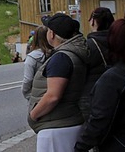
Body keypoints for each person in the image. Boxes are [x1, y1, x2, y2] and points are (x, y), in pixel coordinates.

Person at [74, 19, 125, 151]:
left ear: (112, 42)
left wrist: (80, 147)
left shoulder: (113, 78)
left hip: (120, 144)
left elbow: (100, 120)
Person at [28, 13, 87, 151]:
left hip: (56, 129)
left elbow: (53, 96)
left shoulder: (61, 58)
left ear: (52, 34)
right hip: (68, 122)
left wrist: (34, 115)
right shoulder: (75, 53)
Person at [79, 7, 114, 119]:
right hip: (117, 91)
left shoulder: (88, 45)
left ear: (93, 21)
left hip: (92, 93)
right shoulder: (119, 40)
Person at [22, 26, 52, 100]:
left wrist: (25, 92)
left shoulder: (32, 57)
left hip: (37, 95)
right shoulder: (55, 53)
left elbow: (28, 79)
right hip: (53, 91)